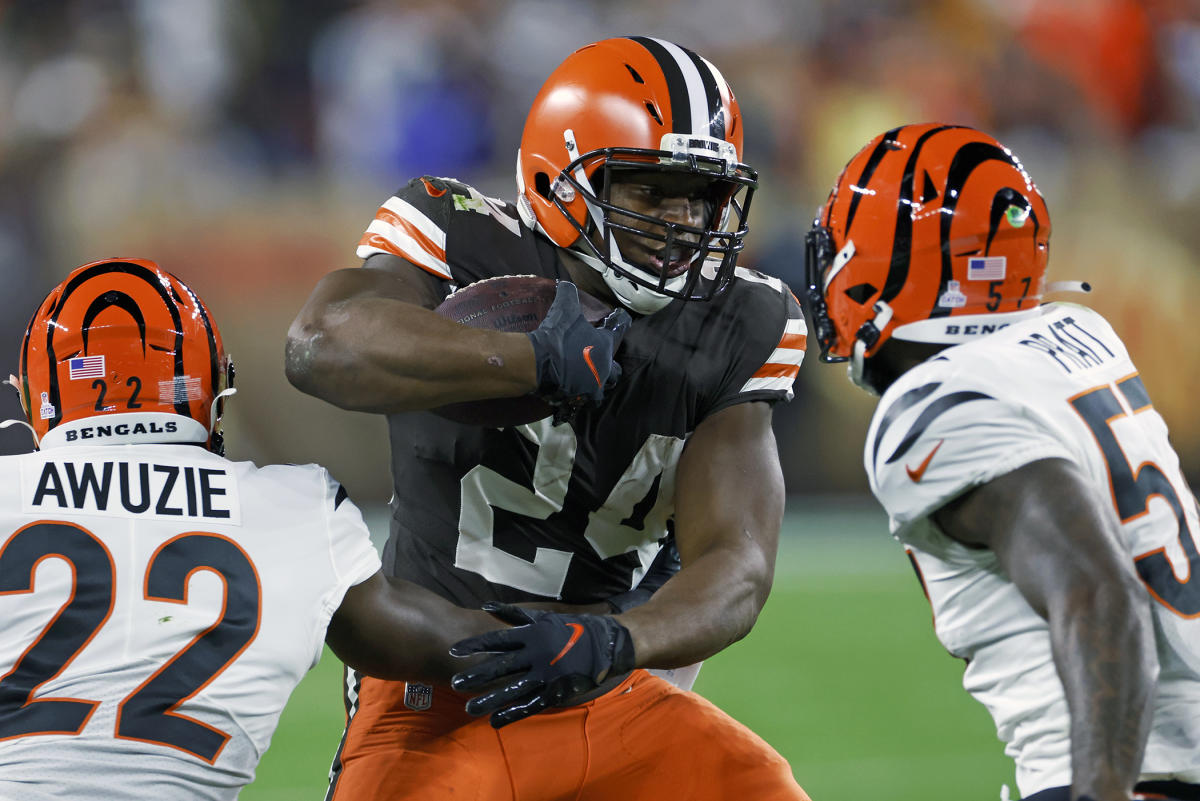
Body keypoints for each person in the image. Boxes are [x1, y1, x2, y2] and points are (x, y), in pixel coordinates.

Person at [286, 36, 810, 801]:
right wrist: (527, 357)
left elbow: (736, 568)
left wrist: (613, 640)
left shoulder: (744, 319)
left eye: (700, 195)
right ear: (560, 179)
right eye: (650, 190)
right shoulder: (462, 236)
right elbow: (319, 345)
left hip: (610, 685)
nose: (684, 222)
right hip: (439, 684)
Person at [0, 258, 512, 801]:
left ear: (32, 396)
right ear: (213, 389)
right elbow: (443, 645)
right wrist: (596, 639)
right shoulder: (296, 507)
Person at [803, 123, 1200, 801]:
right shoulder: (1082, 333)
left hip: (1124, 772)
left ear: (887, 262)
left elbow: (1099, 592)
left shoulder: (934, 406)